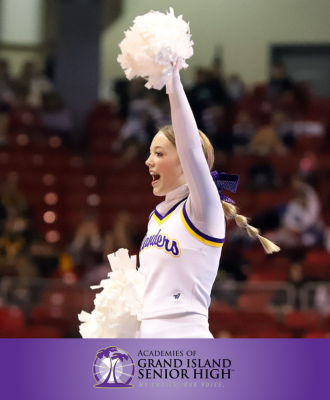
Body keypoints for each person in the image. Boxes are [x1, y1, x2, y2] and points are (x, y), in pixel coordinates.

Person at [138, 62, 278, 339]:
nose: (148, 161)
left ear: (185, 162)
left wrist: (173, 79)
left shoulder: (203, 208)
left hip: (186, 341)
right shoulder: (156, 217)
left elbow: (190, 145)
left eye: (159, 153)